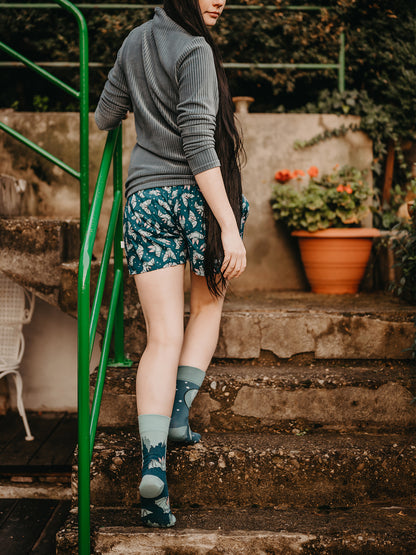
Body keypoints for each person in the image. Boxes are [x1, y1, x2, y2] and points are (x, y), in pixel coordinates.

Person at [95, 0, 249, 528]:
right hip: (198, 201)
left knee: (161, 336)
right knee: (206, 309)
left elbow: (104, 116)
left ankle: (156, 459)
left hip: (143, 199)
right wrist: (229, 225)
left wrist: (142, 100)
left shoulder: (135, 42)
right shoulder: (196, 50)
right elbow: (200, 145)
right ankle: (180, 412)